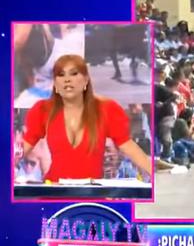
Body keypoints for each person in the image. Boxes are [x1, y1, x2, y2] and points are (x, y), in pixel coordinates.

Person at [21, 55, 152, 182]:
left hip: (92, 192)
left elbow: (126, 144)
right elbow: (24, 147)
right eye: (61, 74)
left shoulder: (107, 108)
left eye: (74, 74)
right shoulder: (42, 110)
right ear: (55, 82)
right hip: (55, 190)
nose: (67, 79)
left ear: (85, 80)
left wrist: (150, 171)